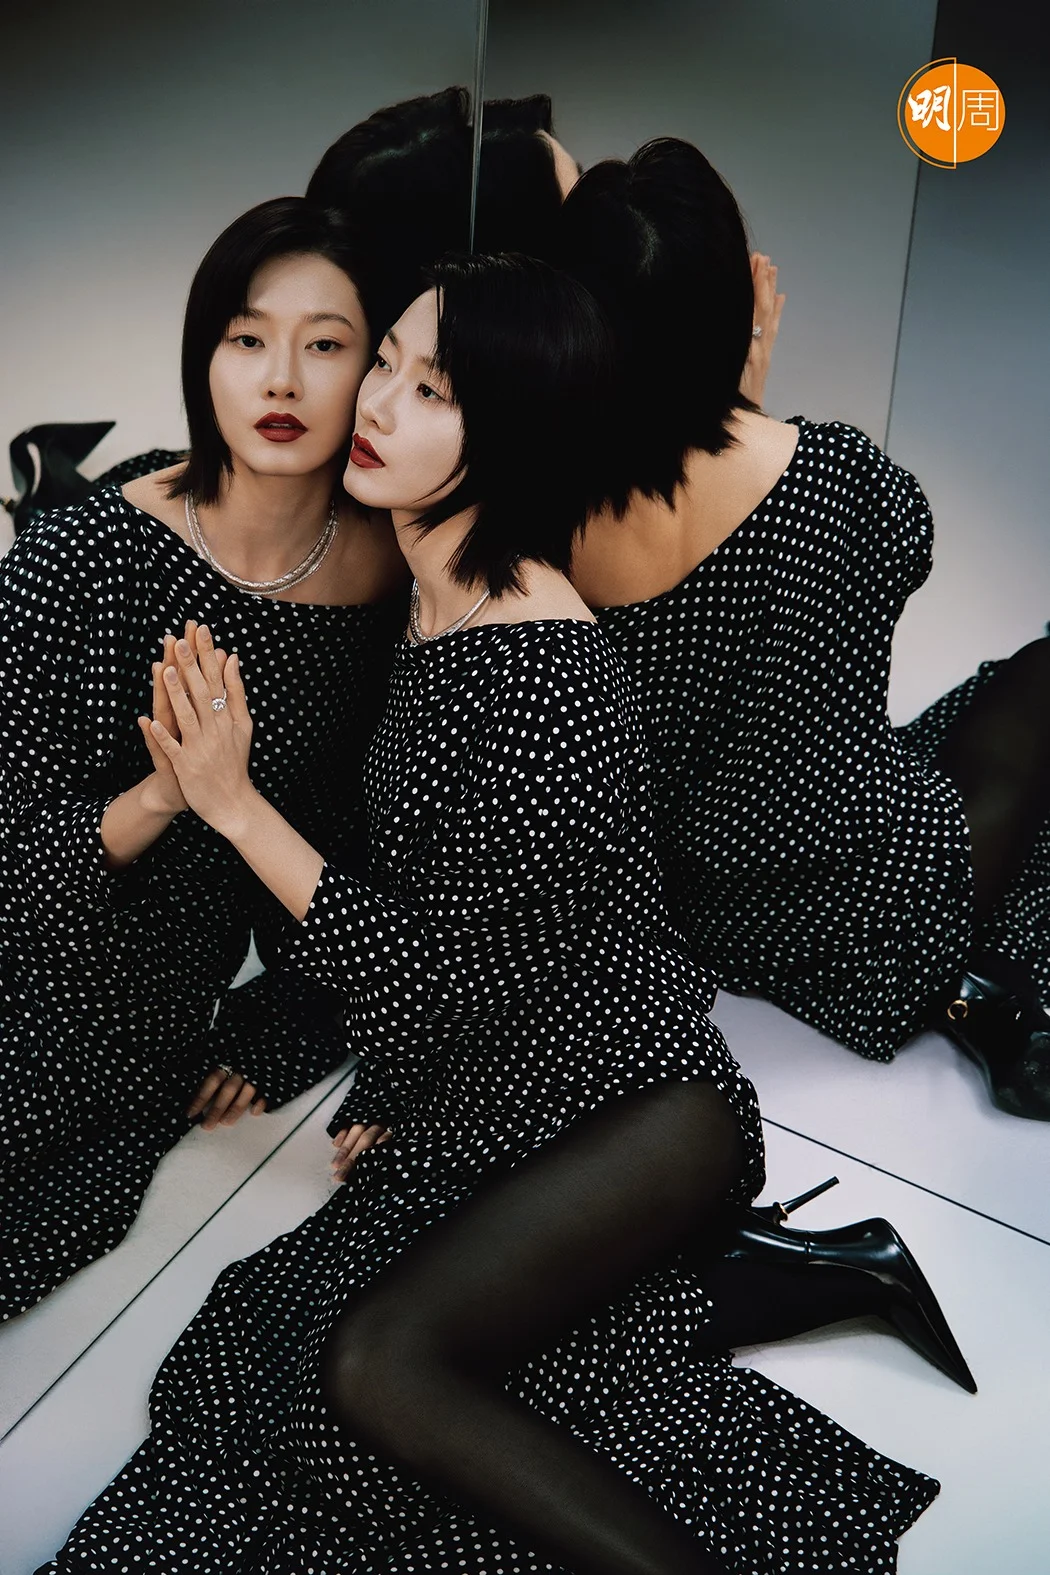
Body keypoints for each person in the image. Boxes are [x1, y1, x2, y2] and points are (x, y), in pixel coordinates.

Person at [42, 255, 955, 1575]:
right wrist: (410, 1089)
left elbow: (436, 972)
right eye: (389, 365)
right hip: (504, 1086)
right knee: (271, 1374)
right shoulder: (426, 586)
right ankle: (788, 1270)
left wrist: (233, 805)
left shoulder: (532, 669)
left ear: (511, 433)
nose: (377, 405)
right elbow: (464, 929)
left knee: (375, 1368)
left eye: (434, 392)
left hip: (636, 1106)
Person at [549, 137, 1050, 1120]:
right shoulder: (844, 482)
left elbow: (687, 616)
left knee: (951, 724)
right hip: (866, 910)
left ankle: (978, 988)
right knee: (1033, 683)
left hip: (696, 909)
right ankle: (979, 985)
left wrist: (728, 407)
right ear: (731, 309)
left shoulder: (547, 521)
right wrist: (742, 409)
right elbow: (867, 565)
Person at [0, 197, 406, 1319]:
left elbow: (382, 842)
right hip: (36, 928)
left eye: (325, 344)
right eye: (246, 338)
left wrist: (299, 1013)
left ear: (375, 372)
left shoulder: (396, 585)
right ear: (205, 358)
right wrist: (165, 795)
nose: (281, 380)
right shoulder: (83, 561)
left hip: (149, 1003)